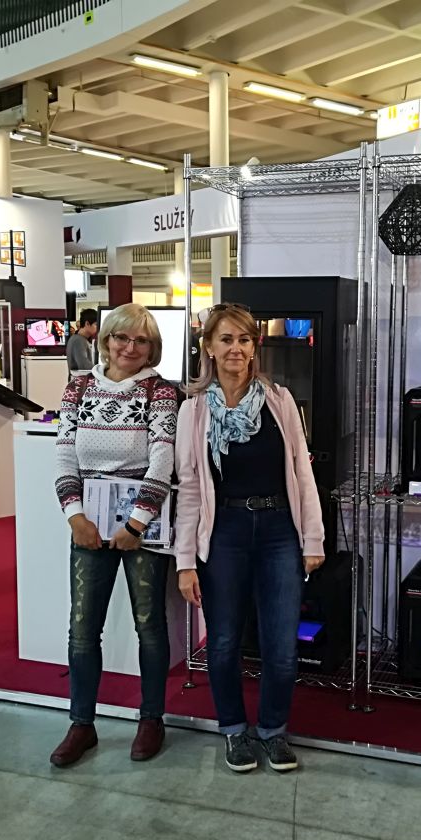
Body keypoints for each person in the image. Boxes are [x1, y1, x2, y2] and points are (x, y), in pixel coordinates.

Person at [174, 304, 325, 774]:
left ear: (254, 347)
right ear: (208, 348)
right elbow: (190, 488)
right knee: (222, 642)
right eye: (225, 340)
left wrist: (313, 539)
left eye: (243, 339)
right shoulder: (193, 411)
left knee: (281, 645)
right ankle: (234, 730)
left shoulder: (280, 400)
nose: (235, 348)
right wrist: (184, 560)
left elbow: (302, 471)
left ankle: (273, 730)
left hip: (279, 530)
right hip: (225, 533)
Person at [50, 303, 178, 768]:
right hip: (88, 523)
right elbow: (64, 453)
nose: (130, 347)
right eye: (122, 337)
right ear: (105, 340)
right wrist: (74, 516)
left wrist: (136, 523)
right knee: (83, 628)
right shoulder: (79, 386)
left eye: (141, 340)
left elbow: (163, 458)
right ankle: (81, 724)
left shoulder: (161, 391)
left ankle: (151, 719)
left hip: (140, 528)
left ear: (152, 347)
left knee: (150, 625)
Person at [66, 308, 98, 373]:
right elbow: (84, 366)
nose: (97, 328)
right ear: (87, 324)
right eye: (96, 325)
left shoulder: (80, 339)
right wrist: (101, 369)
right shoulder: (78, 340)